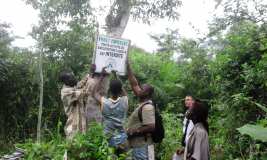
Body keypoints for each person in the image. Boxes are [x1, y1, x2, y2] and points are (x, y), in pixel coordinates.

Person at [93, 69, 128, 155]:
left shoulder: (104, 102)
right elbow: (123, 93)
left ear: (109, 90)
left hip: (109, 138)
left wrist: (101, 77)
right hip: (122, 138)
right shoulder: (124, 101)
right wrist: (116, 75)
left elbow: (94, 93)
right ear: (120, 91)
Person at [126, 60, 156, 160]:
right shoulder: (143, 102)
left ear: (147, 94)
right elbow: (134, 84)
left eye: (142, 88)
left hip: (142, 147)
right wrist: (128, 67)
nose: (139, 88)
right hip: (138, 146)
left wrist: (133, 131)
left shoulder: (147, 107)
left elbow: (151, 126)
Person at [59, 70, 88, 140]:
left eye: (72, 76)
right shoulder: (66, 92)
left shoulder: (71, 87)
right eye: (70, 78)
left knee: (82, 143)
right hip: (73, 124)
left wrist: (88, 75)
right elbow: (83, 92)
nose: (73, 78)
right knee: (73, 142)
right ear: (66, 81)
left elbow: (79, 84)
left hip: (80, 122)